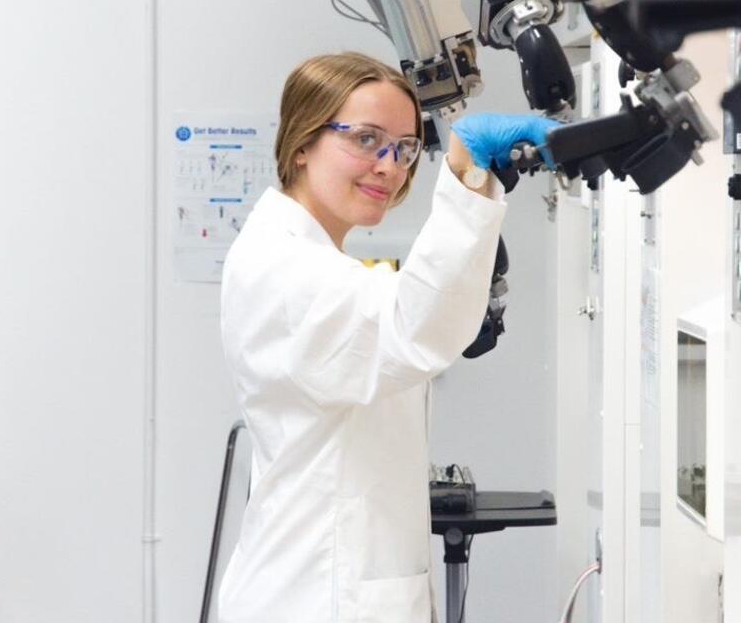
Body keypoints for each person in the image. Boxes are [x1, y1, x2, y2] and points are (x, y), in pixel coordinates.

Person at [218, 52, 559, 623]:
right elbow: (413, 327)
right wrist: (467, 175)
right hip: (316, 599)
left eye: (403, 148)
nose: (390, 166)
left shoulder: (305, 256)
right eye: (367, 139)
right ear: (301, 143)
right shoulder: (288, 271)